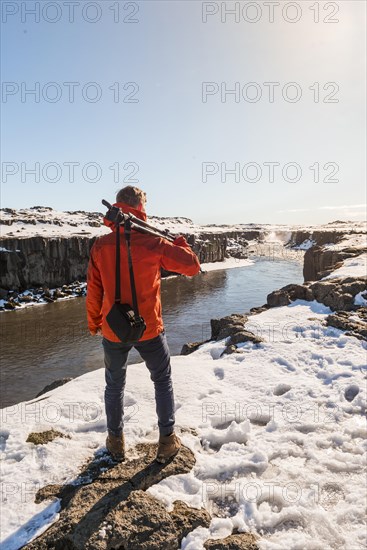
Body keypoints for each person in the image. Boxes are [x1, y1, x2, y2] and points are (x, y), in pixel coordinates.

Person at [86, 186, 201, 463]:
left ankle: (115, 442)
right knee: (162, 382)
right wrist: (181, 243)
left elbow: (94, 290)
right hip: (149, 328)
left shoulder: (101, 245)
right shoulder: (155, 244)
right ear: (140, 207)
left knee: (114, 386)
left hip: (114, 329)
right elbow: (193, 266)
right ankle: (167, 442)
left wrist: (94, 323)